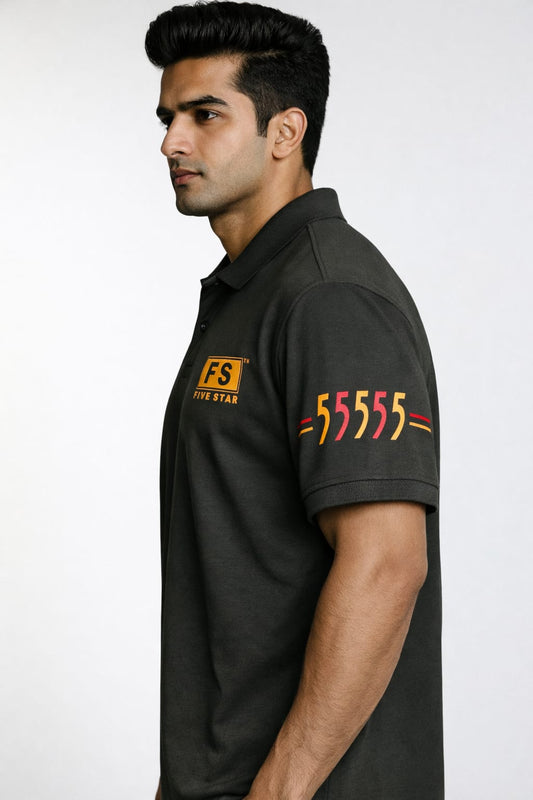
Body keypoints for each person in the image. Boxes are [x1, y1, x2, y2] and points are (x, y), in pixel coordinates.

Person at [145, 3, 443, 798]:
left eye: (205, 114)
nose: (172, 141)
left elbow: (386, 563)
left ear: (285, 132)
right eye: (169, 118)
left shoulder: (327, 296)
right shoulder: (254, 292)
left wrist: (278, 790)